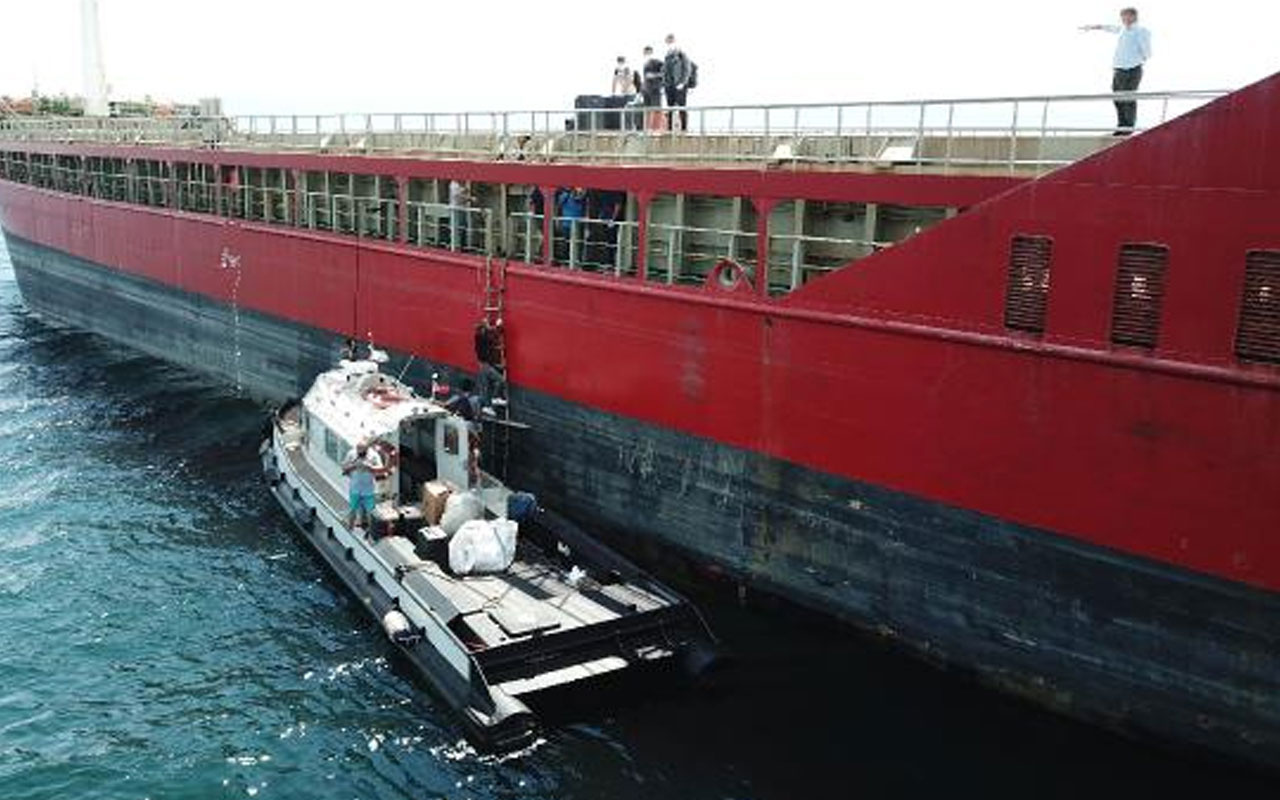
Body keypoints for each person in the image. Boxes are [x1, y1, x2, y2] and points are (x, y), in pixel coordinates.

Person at [1082, 8, 1152, 135]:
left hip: (1132, 69)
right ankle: (1121, 126)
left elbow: (1147, 52)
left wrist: (1137, 61)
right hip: (1119, 69)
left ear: (1133, 17)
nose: (1123, 19)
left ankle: (1128, 127)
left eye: (1125, 16)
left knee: (1128, 98)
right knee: (1117, 97)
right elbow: (1110, 28)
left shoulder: (1141, 31)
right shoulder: (1123, 29)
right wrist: (1095, 27)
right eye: (1122, 17)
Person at [342, 439, 384, 532]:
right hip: (355, 488)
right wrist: (354, 466)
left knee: (370, 512)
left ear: (367, 449)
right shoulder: (351, 454)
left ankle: (371, 532)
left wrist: (369, 467)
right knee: (353, 509)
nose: (359, 453)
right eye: (358, 450)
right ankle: (350, 529)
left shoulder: (374, 455)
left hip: (369, 489)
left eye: (362, 451)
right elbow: (344, 467)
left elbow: (381, 469)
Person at [663, 34, 693, 132]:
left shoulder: (681, 54)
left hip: (679, 85)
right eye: (668, 42)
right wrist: (664, 84)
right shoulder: (667, 55)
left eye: (671, 41)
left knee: (681, 107)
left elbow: (687, 69)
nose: (669, 44)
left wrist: (683, 82)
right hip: (669, 85)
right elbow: (665, 71)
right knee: (670, 107)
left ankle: (684, 128)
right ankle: (669, 129)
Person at [640, 45, 665, 132]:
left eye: (647, 52)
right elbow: (645, 77)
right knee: (647, 109)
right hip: (646, 89)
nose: (646, 54)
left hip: (655, 88)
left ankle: (657, 128)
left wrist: (654, 76)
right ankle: (648, 128)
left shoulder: (657, 62)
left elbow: (665, 73)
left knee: (657, 108)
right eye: (645, 53)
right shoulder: (645, 63)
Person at [448, 179, 470, 250]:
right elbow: (458, 197)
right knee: (457, 228)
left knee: (463, 228)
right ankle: (456, 246)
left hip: (462, 209)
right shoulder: (454, 184)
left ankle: (461, 246)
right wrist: (470, 198)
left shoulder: (460, 184)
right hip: (456, 210)